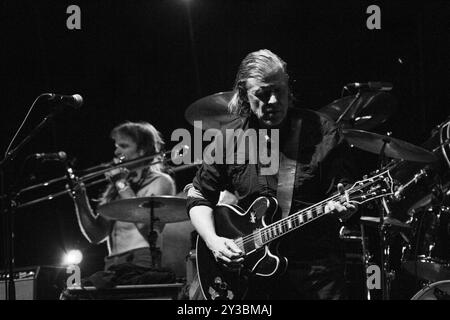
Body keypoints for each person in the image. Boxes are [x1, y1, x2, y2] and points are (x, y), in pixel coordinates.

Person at [186, 49, 358, 300]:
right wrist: (213, 241)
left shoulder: (321, 132)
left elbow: (342, 190)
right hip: (253, 278)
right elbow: (199, 193)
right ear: (245, 94)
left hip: (315, 275)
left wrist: (346, 204)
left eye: (280, 90)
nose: (274, 101)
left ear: (289, 88)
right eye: (263, 94)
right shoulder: (230, 138)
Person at [69, 121, 176, 285]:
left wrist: (120, 184)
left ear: (142, 150)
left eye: (124, 146)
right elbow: (96, 235)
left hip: (141, 259)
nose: (116, 151)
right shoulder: (118, 188)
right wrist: (80, 199)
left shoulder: (160, 181)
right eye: (117, 145)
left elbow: (147, 226)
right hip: (112, 263)